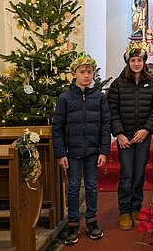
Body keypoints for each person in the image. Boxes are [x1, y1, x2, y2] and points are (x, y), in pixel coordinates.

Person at [52, 54, 110, 245]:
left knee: (92, 186)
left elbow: (105, 125)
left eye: (89, 72)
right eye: (82, 72)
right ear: (74, 74)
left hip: (93, 151)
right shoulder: (65, 98)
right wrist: (61, 153)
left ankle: (92, 220)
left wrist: (104, 151)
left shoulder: (100, 98)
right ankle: (73, 222)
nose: (86, 75)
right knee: (74, 187)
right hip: (73, 151)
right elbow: (58, 127)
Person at [107, 47, 153, 231]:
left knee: (139, 174)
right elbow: (112, 111)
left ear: (144, 62)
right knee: (126, 174)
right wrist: (120, 134)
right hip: (125, 137)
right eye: (133, 61)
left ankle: (135, 208)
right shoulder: (118, 84)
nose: (136, 64)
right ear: (128, 63)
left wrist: (146, 130)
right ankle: (124, 211)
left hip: (142, 137)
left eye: (139, 60)